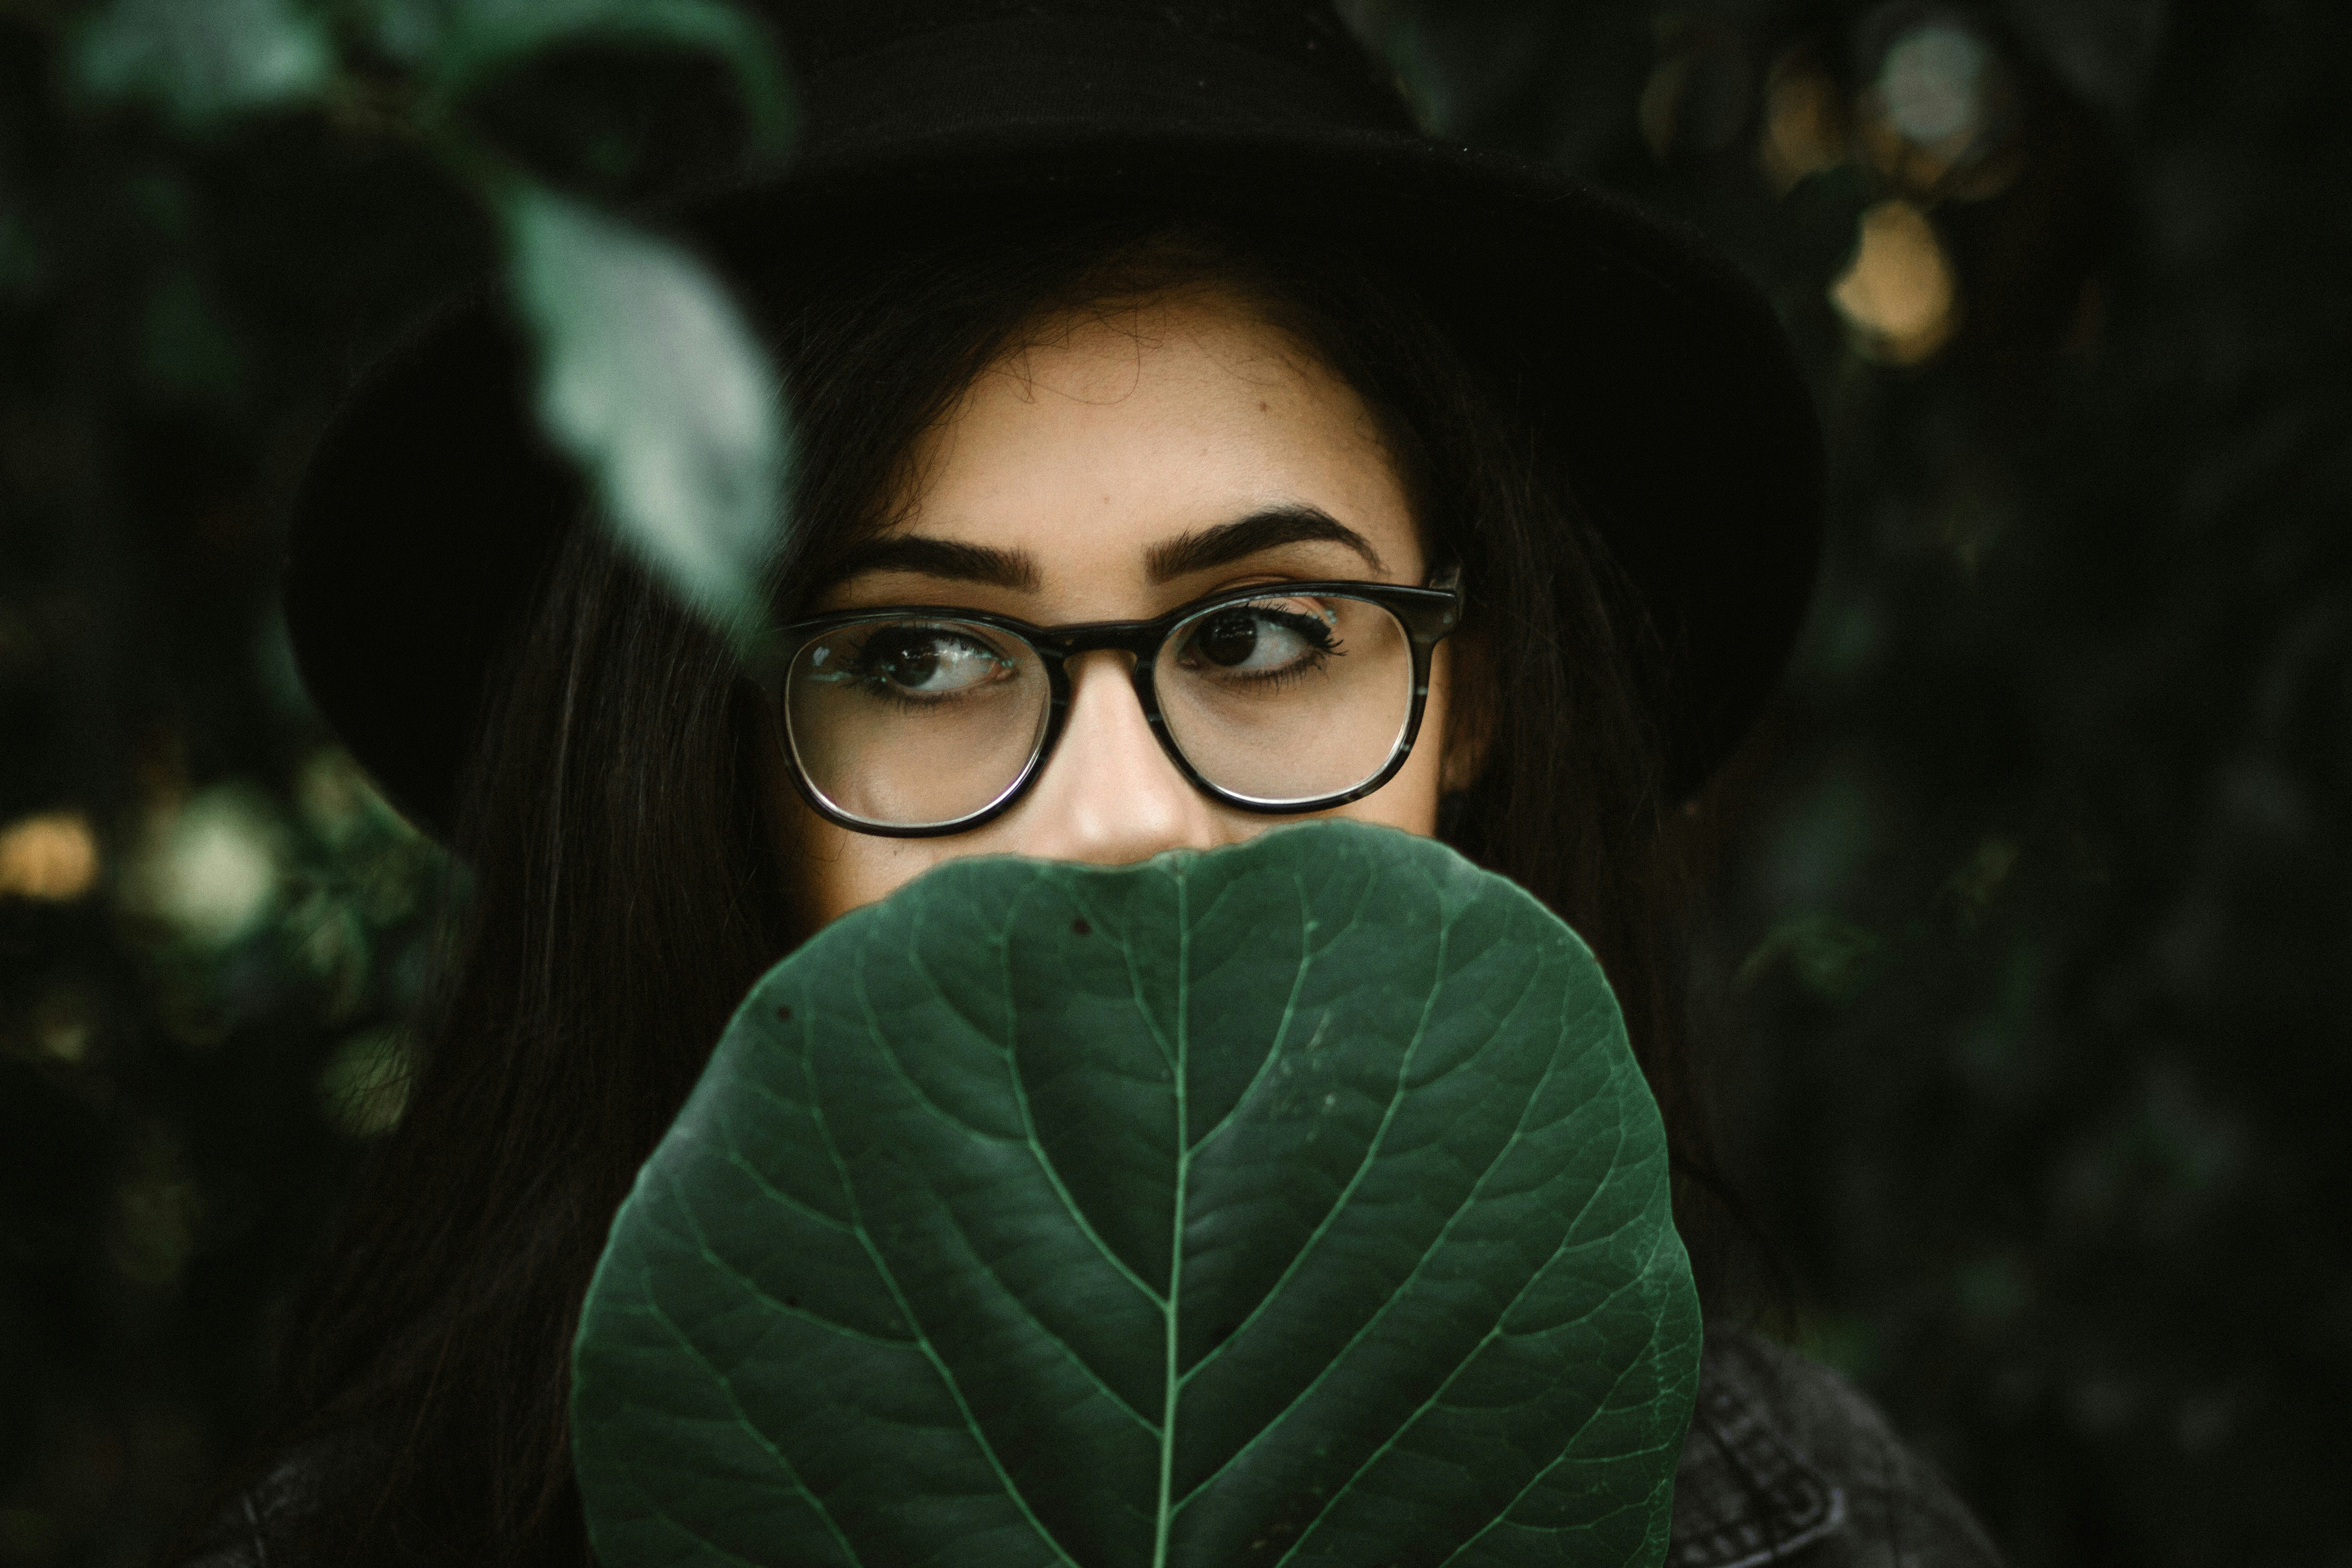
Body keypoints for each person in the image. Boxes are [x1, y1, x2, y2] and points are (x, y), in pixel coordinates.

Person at [178, 3, 2007, 1565]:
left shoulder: (1809, 1531)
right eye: (919, 657)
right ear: (709, 761)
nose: (1123, 820)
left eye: (1266, 635)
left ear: (1475, 701)